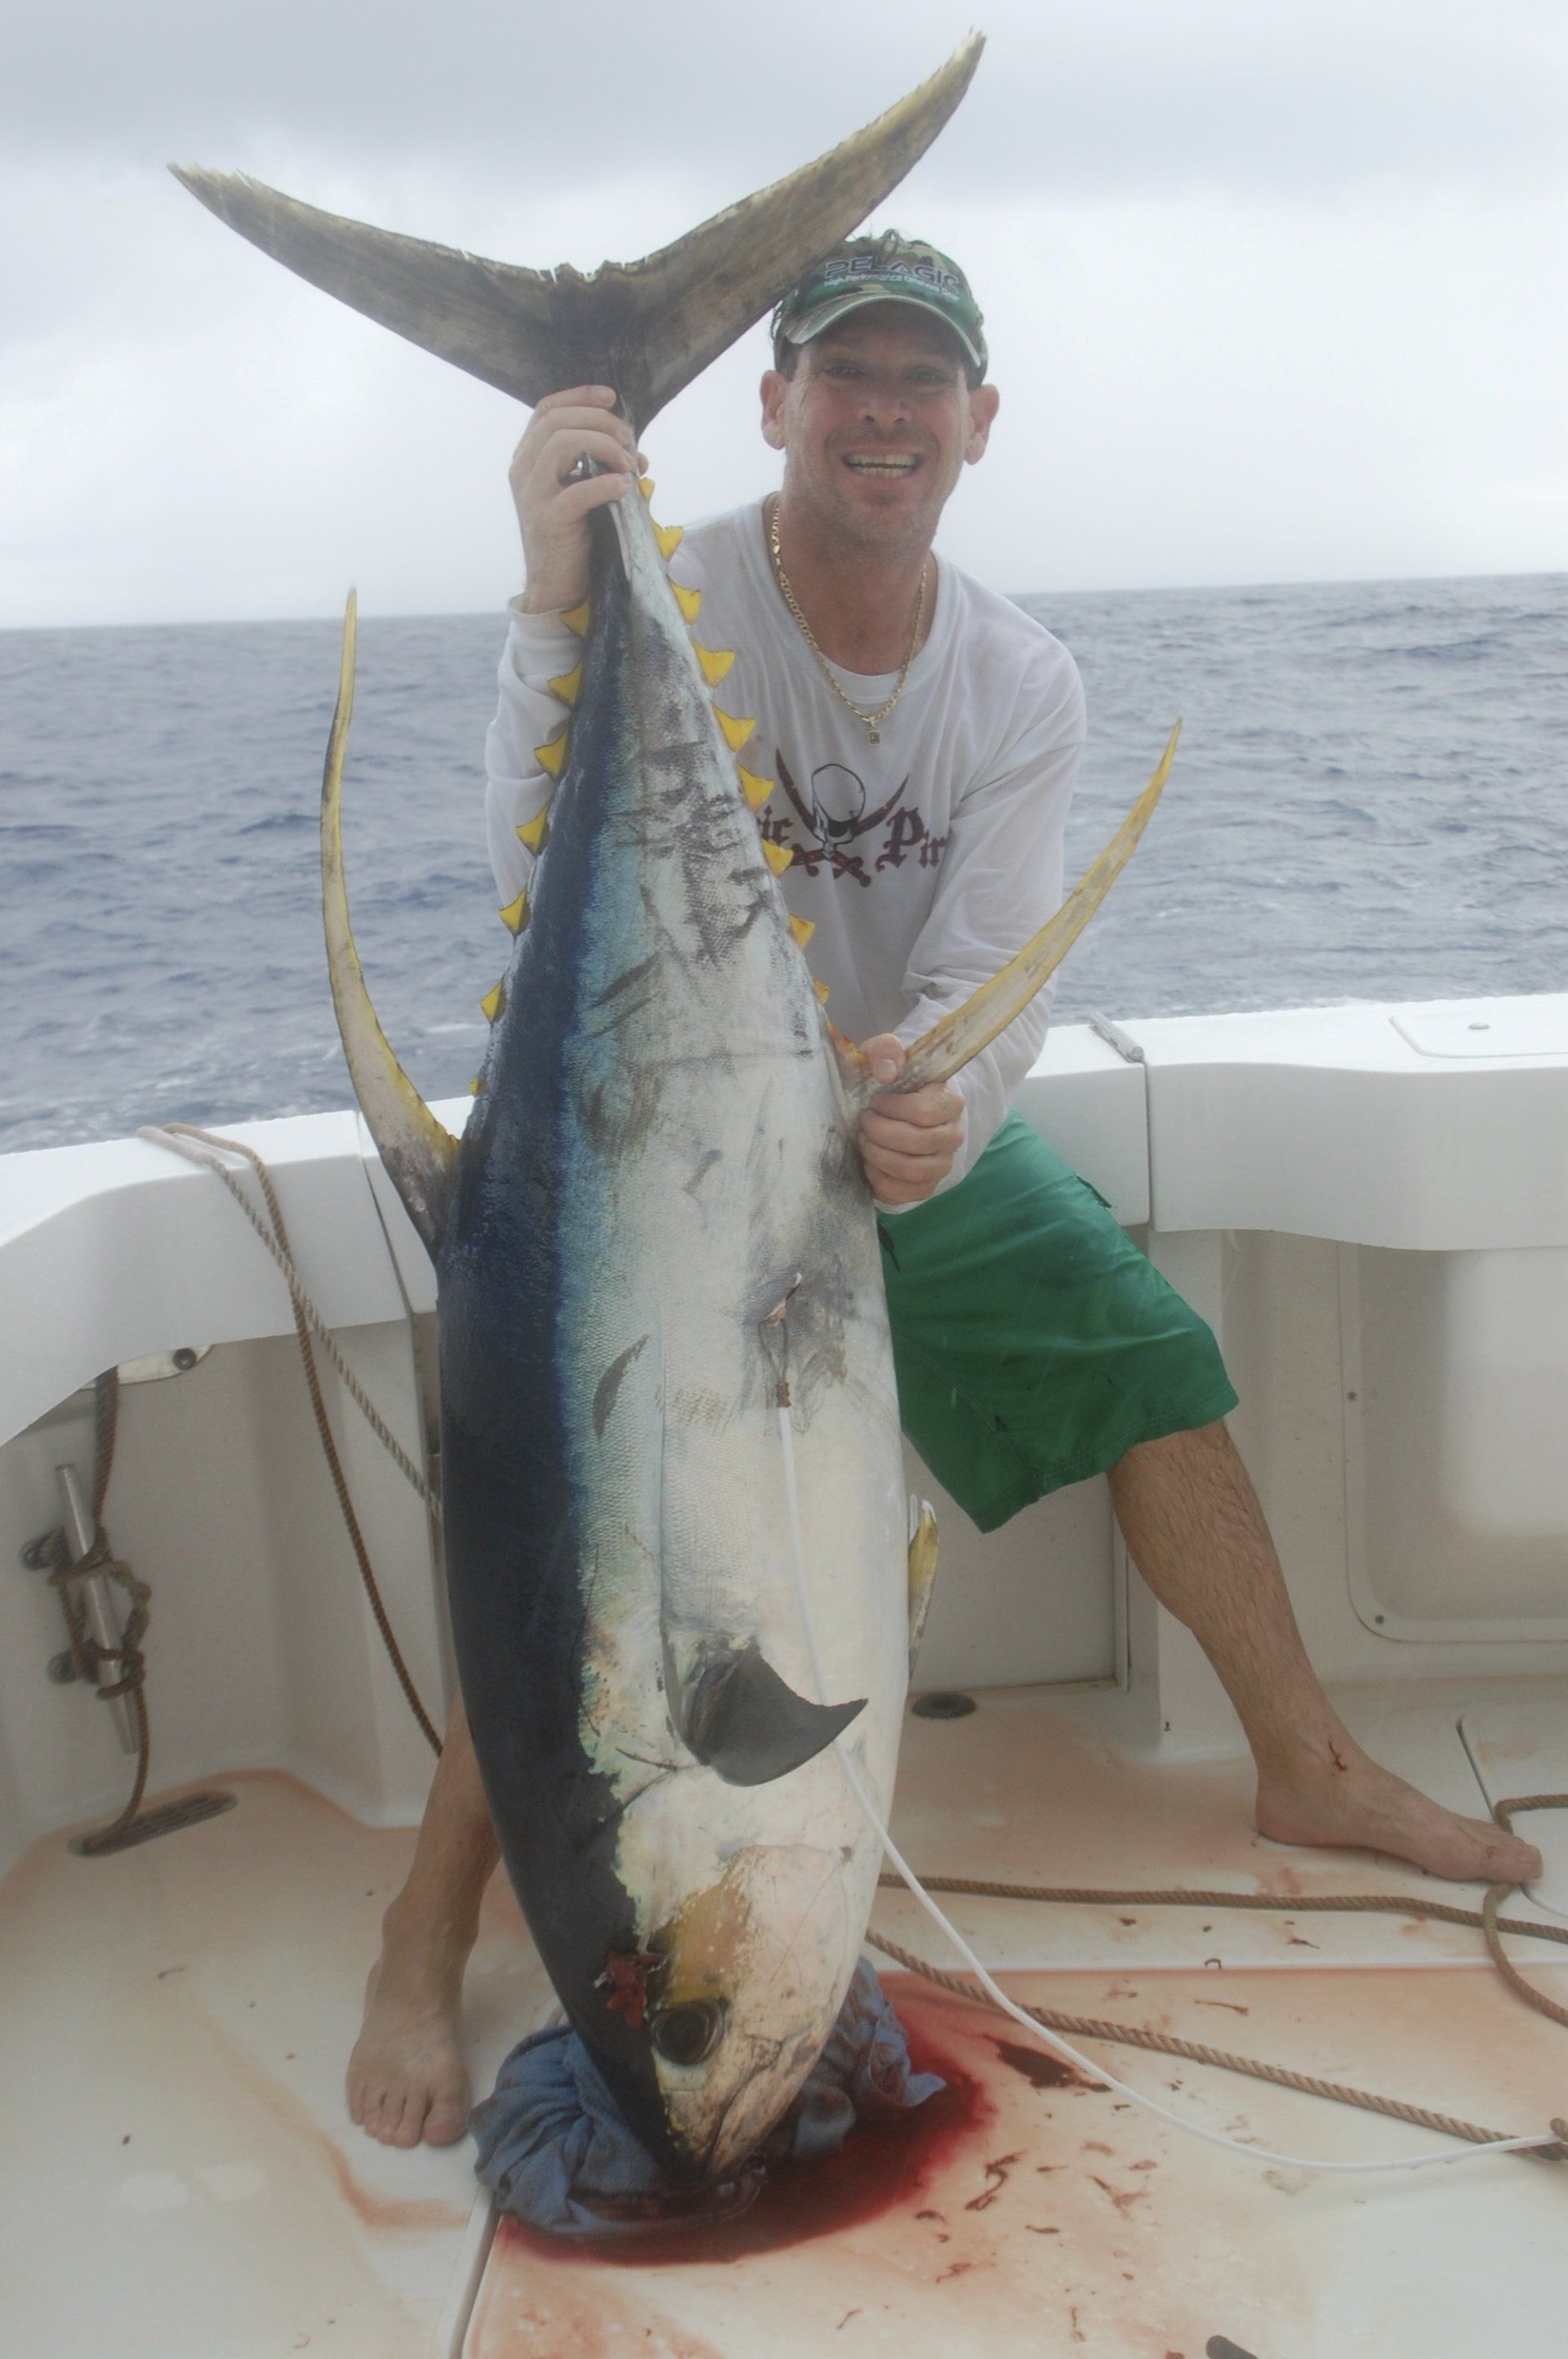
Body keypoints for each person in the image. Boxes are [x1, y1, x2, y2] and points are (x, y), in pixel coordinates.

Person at [348, 237, 1540, 2149]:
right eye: (845, 375)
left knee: (1151, 1351)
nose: (883, 411)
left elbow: (1000, 973)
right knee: (594, 1538)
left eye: (922, 381)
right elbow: (520, 849)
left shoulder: (1016, 680)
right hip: (679, 1151)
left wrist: (944, 1107)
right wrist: (549, 599)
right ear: (775, 405)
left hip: (885, 1149)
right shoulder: (688, 580)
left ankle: (1308, 1761)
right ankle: (424, 1925)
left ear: (979, 423)